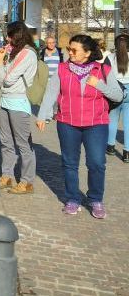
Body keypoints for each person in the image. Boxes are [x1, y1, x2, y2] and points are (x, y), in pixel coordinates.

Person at [38, 34, 123, 218]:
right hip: (67, 123)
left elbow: (118, 96)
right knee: (69, 163)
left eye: (74, 50)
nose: (69, 52)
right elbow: (51, 93)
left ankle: (95, 199)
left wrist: (99, 84)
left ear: (87, 53)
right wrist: (42, 115)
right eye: (69, 49)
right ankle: (73, 199)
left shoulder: (103, 70)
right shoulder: (62, 68)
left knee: (97, 163)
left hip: (96, 124)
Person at [0, 21, 39, 194]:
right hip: (5, 101)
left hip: (19, 103)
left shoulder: (27, 53)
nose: (7, 38)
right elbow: (5, 77)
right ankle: (7, 175)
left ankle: (27, 181)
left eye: (10, 34)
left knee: (23, 144)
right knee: (5, 141)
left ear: (17, 35)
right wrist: (3, 63)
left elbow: (7, 80)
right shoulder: (14, 52)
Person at [106, 33, 129, 163]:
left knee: (112, 119)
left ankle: (110, 147)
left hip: (115, 90)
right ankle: (127, 153)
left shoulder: (110, 57)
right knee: (128, 123)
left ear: (115, 44)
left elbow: (105, 75)